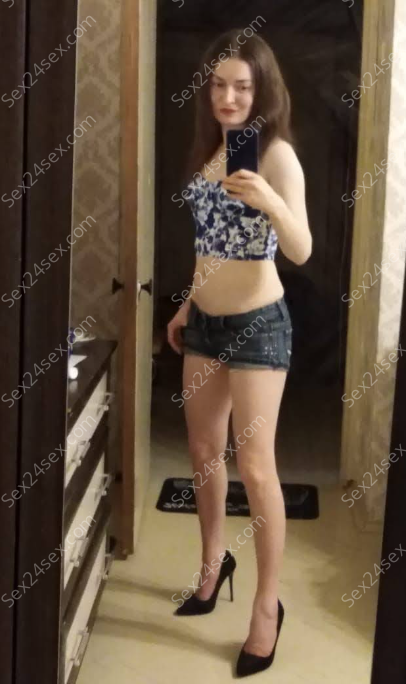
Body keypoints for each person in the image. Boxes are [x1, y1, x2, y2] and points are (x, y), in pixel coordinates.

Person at [167, 28, 311, 678]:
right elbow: (210, 244)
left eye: (242, 87)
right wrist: (187, 304)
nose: (228, 97)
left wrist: (270, 199)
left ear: (262, 91)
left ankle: (265, 607)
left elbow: (301, 249)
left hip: (258, 325)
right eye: (219, 85)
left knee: (255, 469)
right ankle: (211, 566)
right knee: (203, 453)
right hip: (204, 323)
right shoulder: (210, 150)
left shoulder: (275, 155)